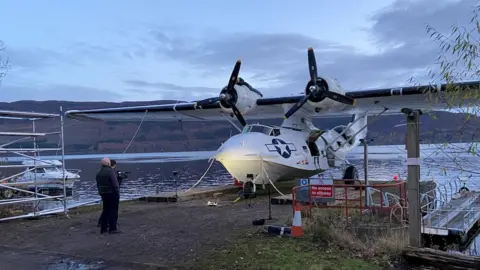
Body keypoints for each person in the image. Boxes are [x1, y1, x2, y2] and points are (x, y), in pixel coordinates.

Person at [97, 159, 125, 227]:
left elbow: (98, 184)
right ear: (109, 164)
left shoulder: (98, 172)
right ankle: (113, 227)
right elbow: (115, 184)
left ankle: (103, 226)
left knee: (106, 209)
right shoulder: (110, 172)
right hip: (111, 193)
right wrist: (117, 192)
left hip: (103, 193)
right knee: (113, 210)